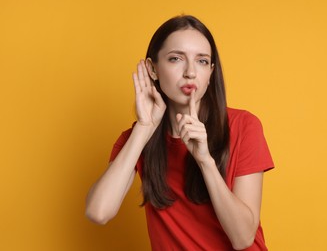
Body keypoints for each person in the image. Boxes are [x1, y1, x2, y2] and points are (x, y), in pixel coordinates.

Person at [85, 15, 274, 250]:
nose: (190, 72)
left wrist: (205, 161)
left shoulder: (243, 126)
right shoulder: (137, 138)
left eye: (202, 61)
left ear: (211, 72)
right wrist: (144, 128)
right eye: (176, 59)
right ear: (153, 69)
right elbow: (98, 211)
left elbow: (243, 238)